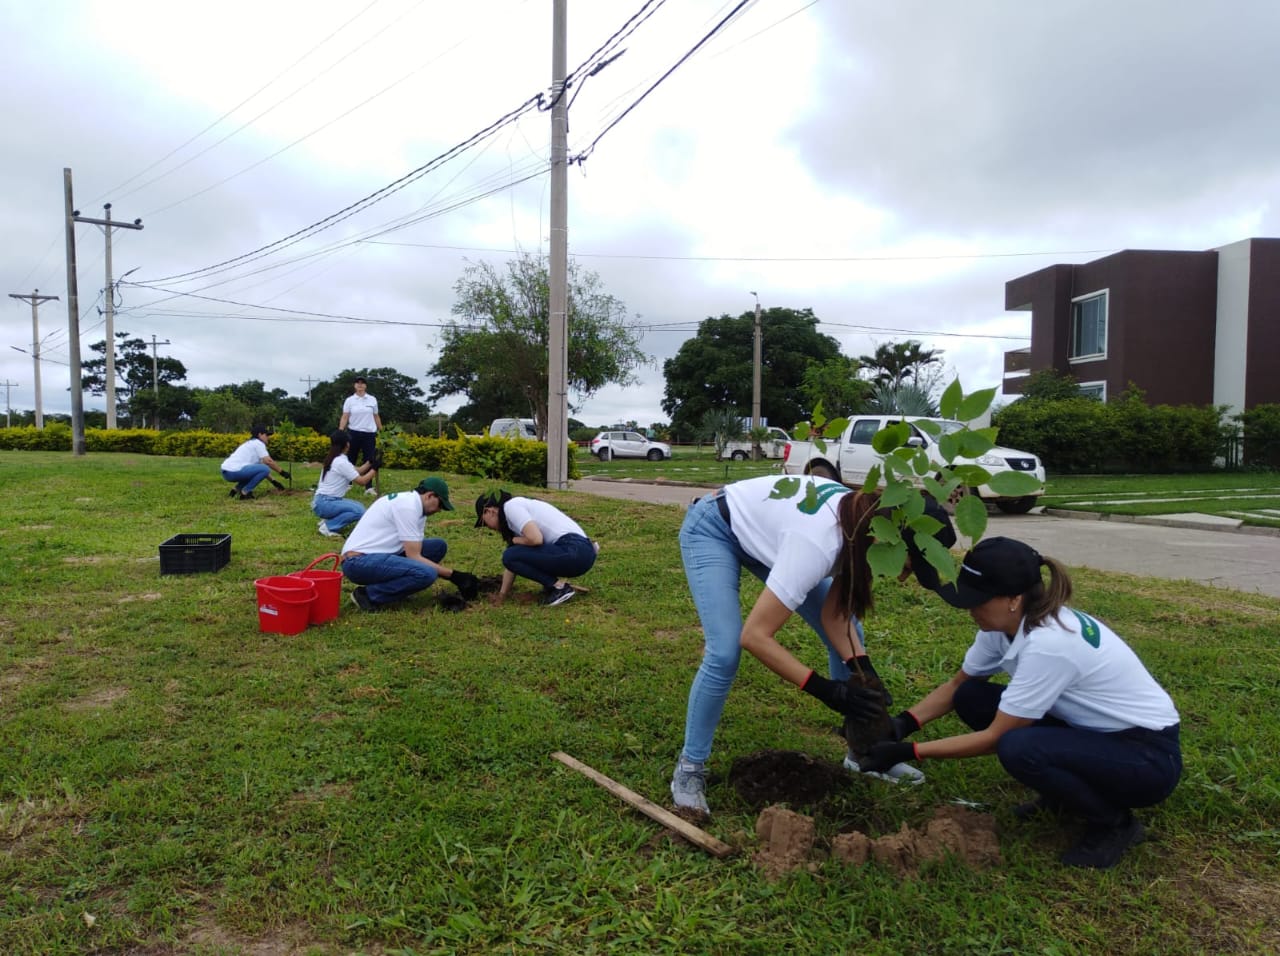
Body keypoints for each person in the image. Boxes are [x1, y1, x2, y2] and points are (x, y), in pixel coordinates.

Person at [856, 536, 1182, 870]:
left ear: (1014, 598)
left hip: (1147, 756)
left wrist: (909, 751)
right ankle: (1061, 798)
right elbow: (957, 685)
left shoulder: (1051, 644)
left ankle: (1114, 824)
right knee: (970, 697)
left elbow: (995, 738)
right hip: (1096, 732)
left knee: (1017, 746)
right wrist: (902, 723)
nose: (970, 610)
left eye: (978, 601)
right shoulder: (1004, 626)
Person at [670, 476, 955, 815]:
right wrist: (827, 690)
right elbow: (756, 636)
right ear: (890, 539)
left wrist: (863, 673)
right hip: (715, 528)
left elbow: (835, 617)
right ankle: (690, 767)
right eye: (909, 566)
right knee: (725, 651)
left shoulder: (862, 525)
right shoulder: (819, 543)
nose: (905, 577)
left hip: (773, 534)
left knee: (854, 639)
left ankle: (863, 751)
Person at [340, 476, 479, 612]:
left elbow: (415, 549)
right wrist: (455, 576)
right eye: (440, 505)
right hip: (358, 562)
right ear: (429, 496)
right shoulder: (407, 507)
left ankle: (396, 588)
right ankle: (368, 595)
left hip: (379, 555)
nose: (439, 510)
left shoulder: (417, 508)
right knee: (426, 573)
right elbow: (414, 557)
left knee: (438, 547)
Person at [473, 491, 598, 607]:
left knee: (511, 554)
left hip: (575, 550)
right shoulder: (518, 515)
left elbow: (536, 539)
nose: (489, 528)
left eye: (484, 523)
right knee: (512, 555)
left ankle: (559, 588)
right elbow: (512, 563)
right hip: (581, 553)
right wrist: (502, 595)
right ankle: (554, 587)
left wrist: (513, 541)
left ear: (490, 511)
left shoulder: (511, 507)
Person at [312, 429, 378, 538]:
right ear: (346, 444)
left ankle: (328, 520)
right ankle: (328, 527)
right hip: (326, 503)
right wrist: (374, 469)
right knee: (359, 511)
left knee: (358, 506)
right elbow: (362, 481)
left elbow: (356, 471)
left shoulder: (335, 458)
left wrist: (369, 462)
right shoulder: (341, 462)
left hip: (323, 501)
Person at [219, 424, 290, 500]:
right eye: (266, 435)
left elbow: (260, 471)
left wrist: (274, 482)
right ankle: (245, 493)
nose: (268, 437)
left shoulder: (249, 444)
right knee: (265, 468)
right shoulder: (258, 443)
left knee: (259, 470)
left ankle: (235, 490)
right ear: (260, 435)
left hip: (227, 472)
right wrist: (282, 472)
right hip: (235, 471)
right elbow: (268, 462)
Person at [338, 376, 382, 489]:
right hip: (354, 433)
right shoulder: (349, 400)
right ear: (354, 385)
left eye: (362, 383)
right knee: (351, 458)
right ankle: (347, 483)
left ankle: (369, 487)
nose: (360, 385)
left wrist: (382, 431)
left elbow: (376, 416)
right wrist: (340, 431)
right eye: (358, 383)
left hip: (369, 433)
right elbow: (345, 417)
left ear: (365, 385)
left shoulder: (372, 399)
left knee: (369, 459)